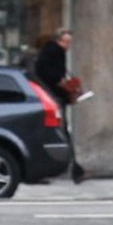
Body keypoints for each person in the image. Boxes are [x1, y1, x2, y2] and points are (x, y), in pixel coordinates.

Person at [32, 25, 85, 183]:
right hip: (53, 98)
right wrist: (64, 86)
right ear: (58, 40)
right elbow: (53, 75)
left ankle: (74, 167)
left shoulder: (50, 52)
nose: (68, 46)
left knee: (58, 132)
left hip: (51, 96)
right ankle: (73, 167)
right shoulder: (55, 52)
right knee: (61, 132)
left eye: (69, 42)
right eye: (66, 42)